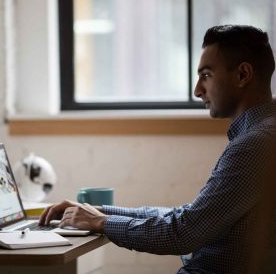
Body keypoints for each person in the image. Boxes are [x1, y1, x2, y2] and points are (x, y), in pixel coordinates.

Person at [39, 25, 276, 273]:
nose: (197, 90)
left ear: (243, 75)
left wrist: (102, 222)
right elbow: (188, 216)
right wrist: (98, 212)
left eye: (206, 75)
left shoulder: (256, 144)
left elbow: (183, 233)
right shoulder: (258, 137)